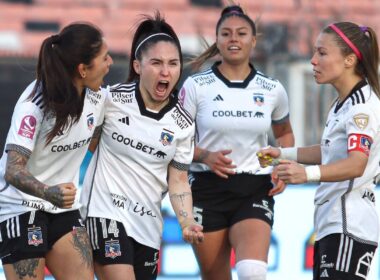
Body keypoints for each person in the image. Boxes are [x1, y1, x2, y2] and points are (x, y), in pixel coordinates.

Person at [80, 12, 204, 280]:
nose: (165, 71)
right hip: (104, 214)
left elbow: (179, 181)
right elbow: (86, 145)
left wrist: (187, 221)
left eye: (173, 63)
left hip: (147, 226)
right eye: (156, 63)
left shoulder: (183, 124)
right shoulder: (111, 100)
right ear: (137, 66)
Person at [179, 5, 294, 280]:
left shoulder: (272, 89)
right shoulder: (196, 86)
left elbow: (284, 134)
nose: (234, 39)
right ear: (217, 40)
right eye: (226, 33)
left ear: (253, 41)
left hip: (254, 186)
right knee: (215, 276)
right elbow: (175, 142)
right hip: (207, 188)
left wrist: (278, 164)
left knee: (252, 272)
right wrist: (205, 156)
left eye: (242, 33)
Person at [258, 22, 380, 280]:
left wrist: (306, 175)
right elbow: (329, 151)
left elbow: (356, 164)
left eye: (322, 53)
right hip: (331, 223)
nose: (313, 60)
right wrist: (283, 154)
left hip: (349, 224)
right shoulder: (342, 103)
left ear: (349, 60)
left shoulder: (361, 107)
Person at [0, 22, 113, 280]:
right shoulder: (34, 104)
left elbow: (96, 139)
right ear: (83, 69)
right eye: (104, 58)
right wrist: (49, 192)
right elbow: (13, 170)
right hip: (20, 206)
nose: (110, 63)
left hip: (62, 209)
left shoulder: (99, 99)